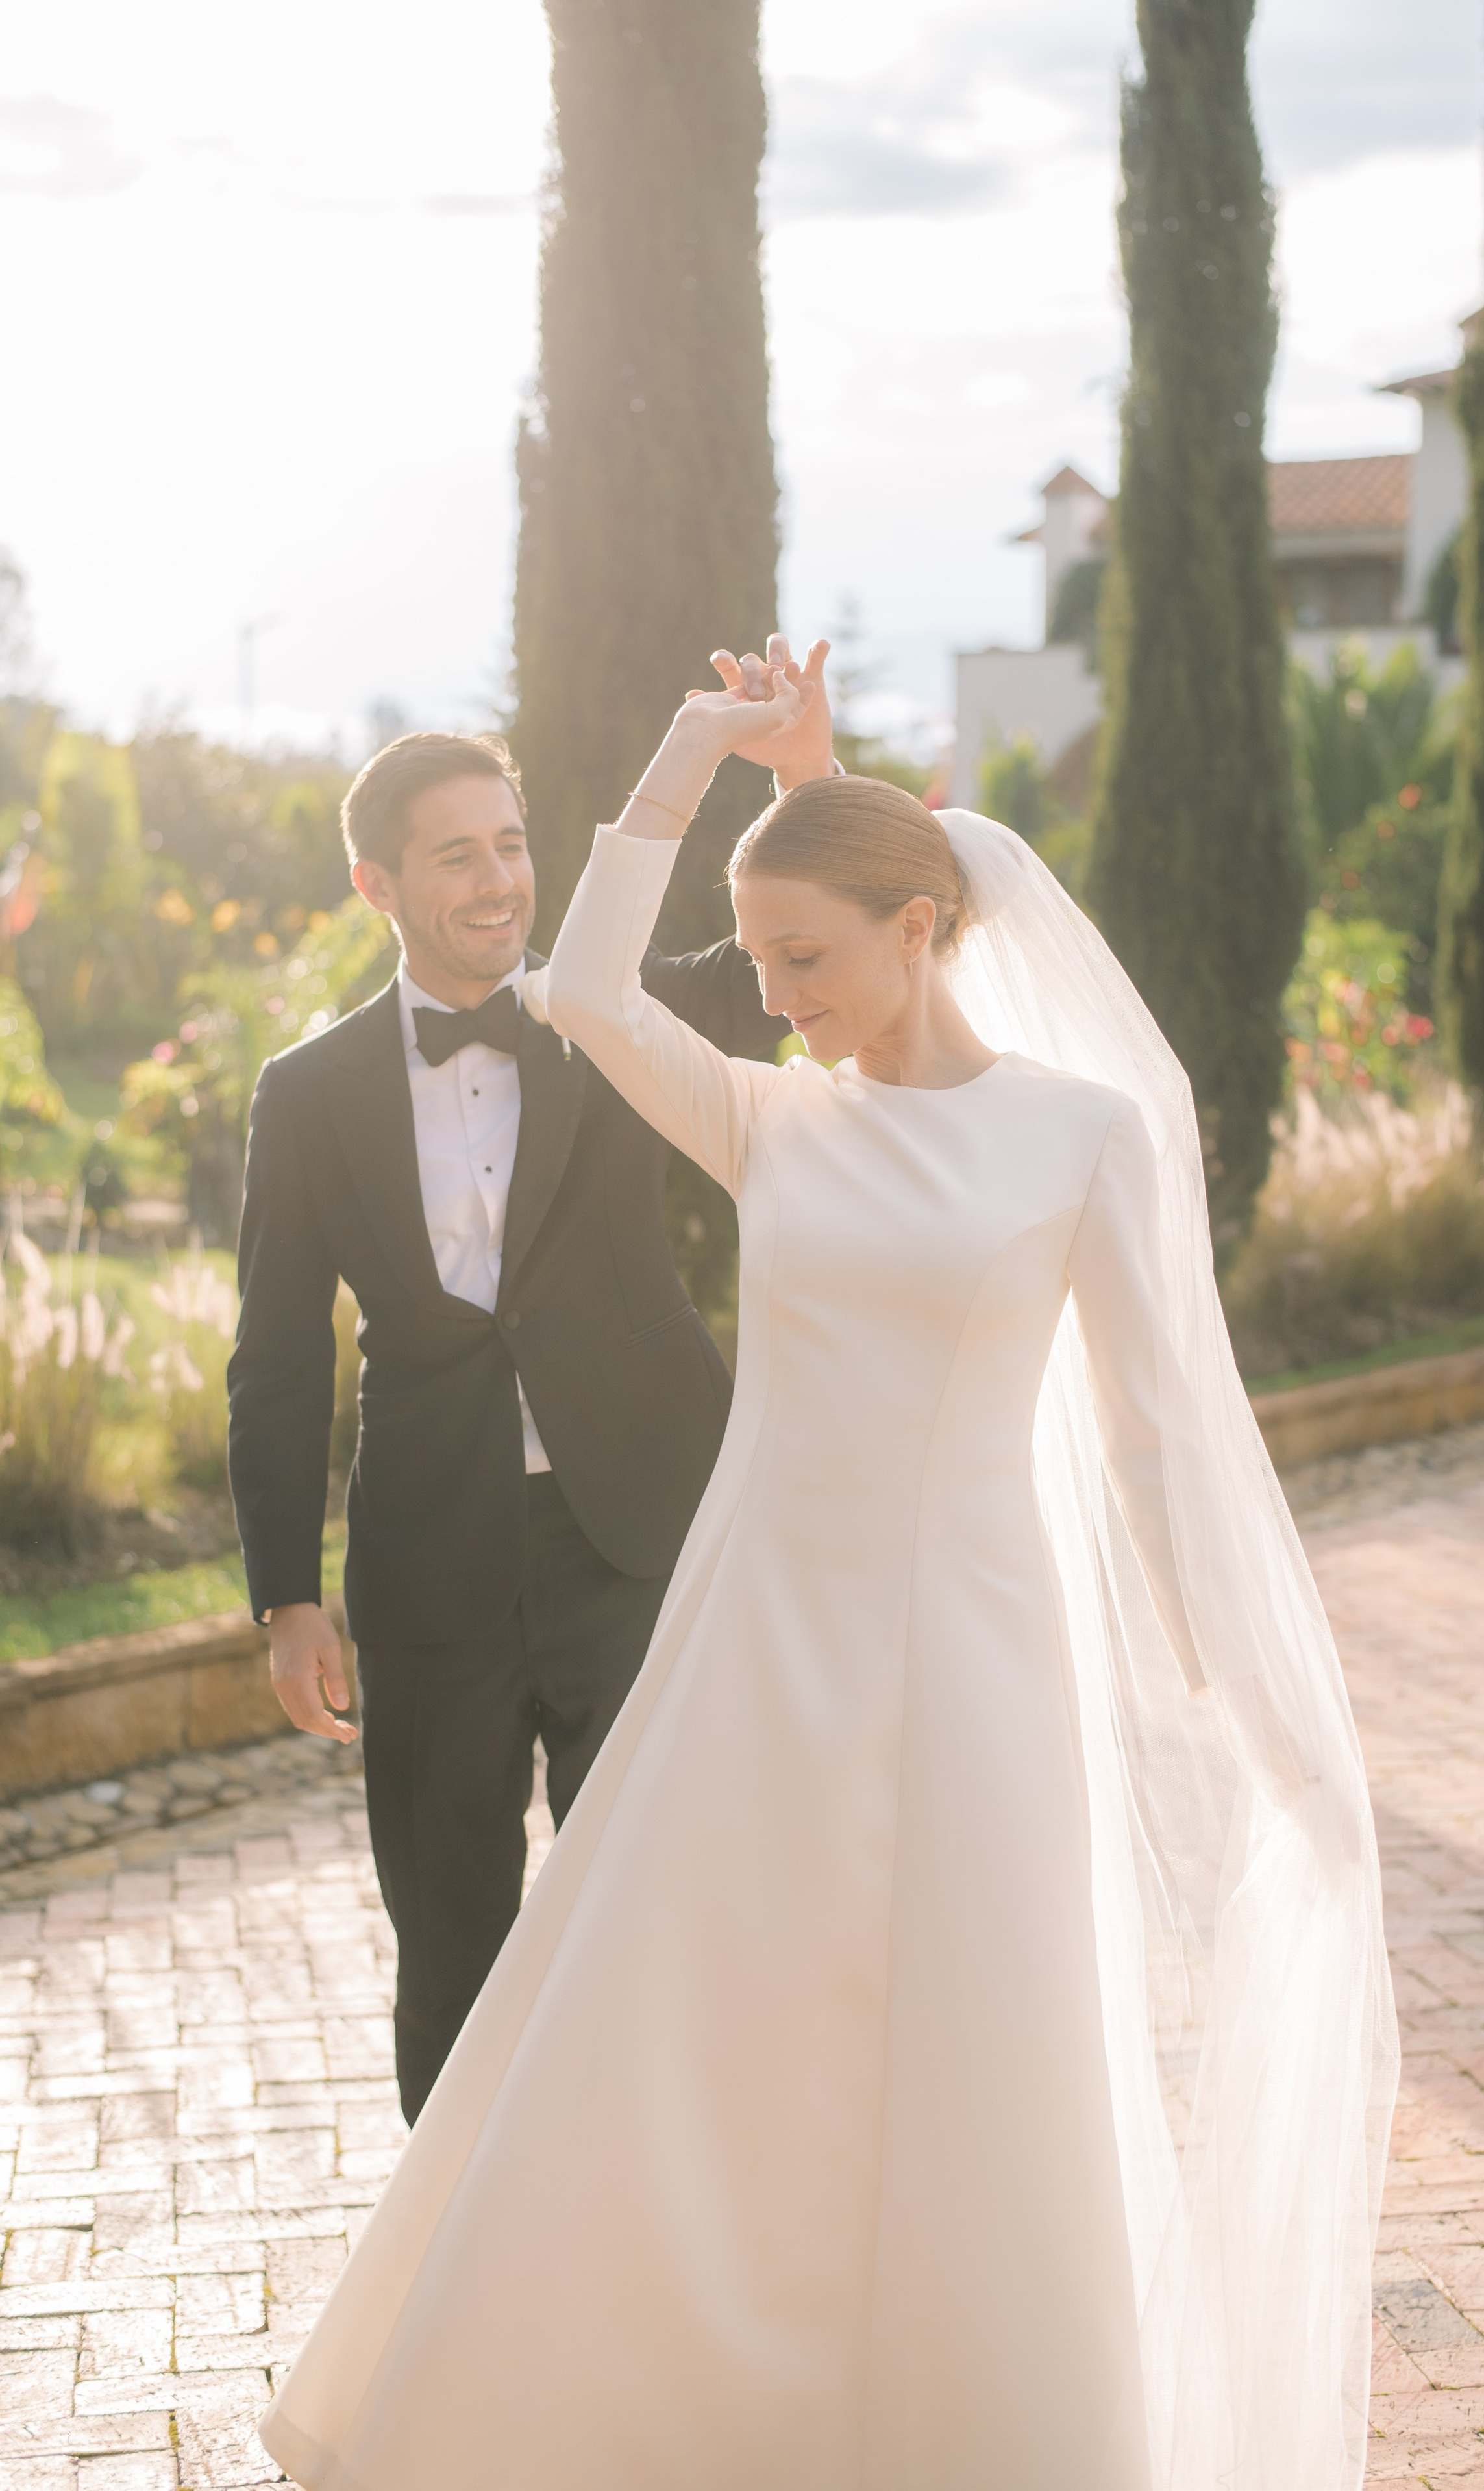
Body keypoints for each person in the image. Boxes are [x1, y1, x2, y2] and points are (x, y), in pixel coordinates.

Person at [260, 654, 1396, 2491]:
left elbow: (1163, 1439)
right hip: (749, 1647)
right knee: (693, 2024)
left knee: (971, 2044)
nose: (777, 1000)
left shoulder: (1082, 1137)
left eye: (808, 960)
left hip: (976, 1648)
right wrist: (691, 756)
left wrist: (1266, 1713)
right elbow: (584, 989)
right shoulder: (773, 1119)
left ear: (925, 929)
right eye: (761, 963)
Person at [227, 647, 832, 2123]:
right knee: (449, 1947)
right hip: (429, 1568)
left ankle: (662, 2243)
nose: (499, 882)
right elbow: (278, 1350)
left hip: (638, 1535)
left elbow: (816, 955)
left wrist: (804, 775)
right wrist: (286, 1595)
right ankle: (451, 2283)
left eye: (511, 844)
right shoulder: (305, 1097)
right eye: (458, 857)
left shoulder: (610, 1015)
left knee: (663, 1915)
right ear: (377, 885)